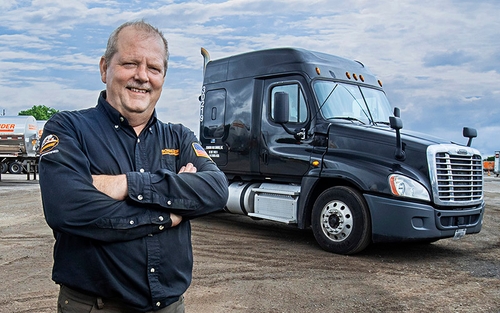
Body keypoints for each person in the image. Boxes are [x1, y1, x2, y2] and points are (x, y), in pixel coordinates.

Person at [39, 20, 228, 313]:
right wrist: (169, 212)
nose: (142, 76)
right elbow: (67, 208)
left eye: (154, 68)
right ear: (104, 68)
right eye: (130, 63)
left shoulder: (179, 136)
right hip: (96, 307)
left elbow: (215, 190)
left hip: (169, 307)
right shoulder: (69, 128)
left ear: (163, 77)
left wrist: (126, 184)